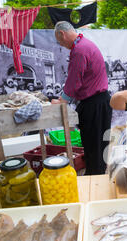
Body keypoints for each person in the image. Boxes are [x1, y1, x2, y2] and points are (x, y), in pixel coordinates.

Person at [51, 21, 111, 175]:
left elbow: (73, 81)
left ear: (62, 34)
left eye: (60, 41)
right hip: (101, 101)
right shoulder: (85, 44)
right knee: (100, 145)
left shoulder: (80, 50)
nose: (62, 45)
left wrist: (62, 100)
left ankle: (94, 177)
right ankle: (99, 173)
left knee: (93, 146)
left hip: (94, 104)